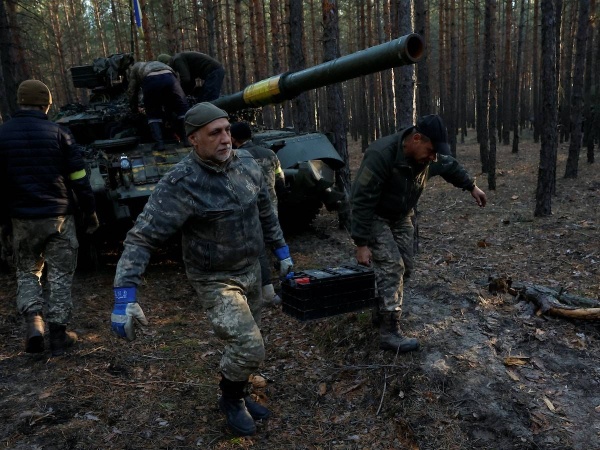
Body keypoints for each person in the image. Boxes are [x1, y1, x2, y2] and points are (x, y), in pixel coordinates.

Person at [110, 102, 294, 436]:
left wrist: (282, 251)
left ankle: (236, 390)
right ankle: (231, 399)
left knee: (246, 344)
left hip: (251, 268)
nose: (226, 139)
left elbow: (264, 208)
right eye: (215, 133)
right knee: (250, 346)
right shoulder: (180, 184)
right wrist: (124, 294)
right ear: (193, 139)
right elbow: (141, 238)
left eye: (227, 130)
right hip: (215, 278)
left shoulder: (247, 163)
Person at [350, 114, 487, 353]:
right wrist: (361, 243)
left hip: (401, 216)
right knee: (393, 266)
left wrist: (471, 186)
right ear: (415, 139)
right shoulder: (381, 154)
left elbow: (450, 166)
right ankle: (389, 331)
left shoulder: (428, 158)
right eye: (431, 150)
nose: (433, 157)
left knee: (407, 266)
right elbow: (361, 200)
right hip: (375, 216)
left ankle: (380, 311)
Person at [0, 80, 99, 357]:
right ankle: (58, 337)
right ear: (46, 104)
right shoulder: (60, 133)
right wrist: (89, 211)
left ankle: (34, 325)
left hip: (22, 219)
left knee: (27, 271)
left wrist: (4, 222)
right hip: (58, 217)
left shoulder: (3, 134)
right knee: (60, 275)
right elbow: (79, 177)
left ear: (20, 102)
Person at [230, 121, 286, 306]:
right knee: (277, 243)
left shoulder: (234, 157)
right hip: (271, 208)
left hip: (248, 213)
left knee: (259, 251)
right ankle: (289, 281)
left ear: (233, 138)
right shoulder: (270, 153)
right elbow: (280, 181)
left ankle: (267, 292)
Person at [126, 60, 190, 150]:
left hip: (151, 81)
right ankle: (187, 140)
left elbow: (132, 91)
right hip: (171, 78)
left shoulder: (135, 68)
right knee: (182, 109)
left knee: (153, 113)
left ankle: (159, 144)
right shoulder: (158, 63)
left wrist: (134, 109)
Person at [158, 52, 225, 103]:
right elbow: (191, 82)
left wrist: (179, 92)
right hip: (214, 71)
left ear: (167, 63)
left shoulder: (177, 59)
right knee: (203, 98)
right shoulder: (183, 60)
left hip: (214, 71)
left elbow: (186, 79)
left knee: (210, 99)